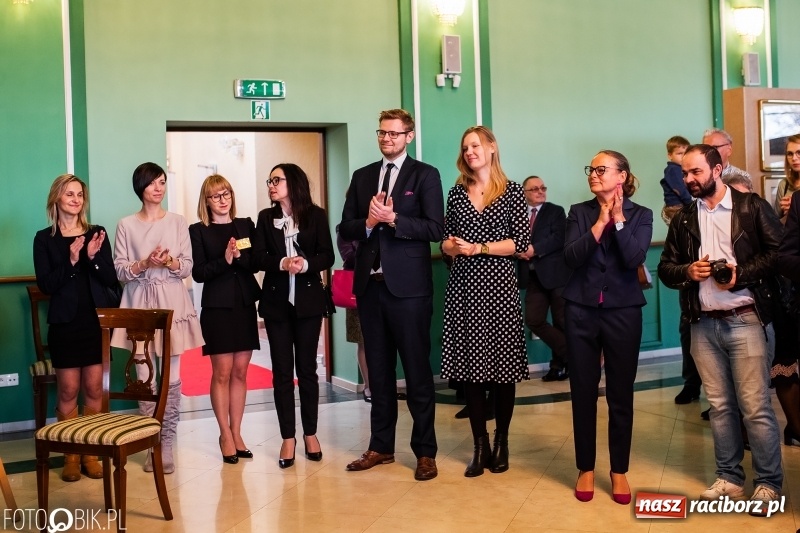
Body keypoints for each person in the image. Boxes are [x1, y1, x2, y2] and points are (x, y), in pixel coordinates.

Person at [658, 144, 784, 514]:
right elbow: (666, 267)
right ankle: (729, 477)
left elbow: (779, 253)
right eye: (684, 173)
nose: (688, 180)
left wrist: (740, 275)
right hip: (703, 325)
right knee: (719, 406)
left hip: (746, 318)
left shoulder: (750, 207)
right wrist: (688, 272)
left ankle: (768, 484)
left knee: (755, 407)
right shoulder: (684, 218)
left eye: (695, 172)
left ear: (717, 170)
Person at [340, 108, 444, 481]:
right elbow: (345, 224)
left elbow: (435, 228)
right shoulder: (363, 175)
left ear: (409, 136)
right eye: (382, 133)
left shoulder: (425, 175)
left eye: (394, 134)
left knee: (416, 372)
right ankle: (381, 446)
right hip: (371, 289)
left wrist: (394, 219)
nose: (387, 139)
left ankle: (425, 452)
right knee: (379, 374)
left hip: (410, 291)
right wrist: (368, 222)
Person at [564, 151, 652, 505]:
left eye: (601, 169)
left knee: (620, 394)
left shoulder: (641, 215)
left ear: (622, 176)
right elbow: (570, 257)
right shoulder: (578, 212)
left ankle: (619, 470)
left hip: (624, 311)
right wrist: (599, 223)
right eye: (591, 169)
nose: (593, 174)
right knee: (583, 392)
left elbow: (633, 259)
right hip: (581, 310)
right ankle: (585, 468)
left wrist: (617, 221)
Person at [441, 126, 529, 477]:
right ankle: (479, 445)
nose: (470, 151)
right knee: (471, 372)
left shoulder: (513, 191)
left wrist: (480, 248)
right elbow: (446, 243)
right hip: (463, 289)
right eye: (465, 147)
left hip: (499, 289)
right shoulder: (457, 193)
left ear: (492, 148)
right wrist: (453, 247)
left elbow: (519, 243)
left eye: (476, 145)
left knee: (502, 371)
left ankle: (501, 442)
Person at [112, 162, 204, 474]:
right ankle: (150, 442)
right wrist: (144, 263)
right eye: (153, 183)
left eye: (162, 182)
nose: (159, 188)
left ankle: (166, 443)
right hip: (139, 300)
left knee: (173, 375)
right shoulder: (125, 224)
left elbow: (188, 267)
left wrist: (169, 261)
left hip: (172, 301)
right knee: (144, 375)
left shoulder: (178, 221)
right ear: (141, 186)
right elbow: (121, 271)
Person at [33, 174, 119, 482]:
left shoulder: (98, 233)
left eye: (80, 194)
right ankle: (70, 455)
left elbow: (110, 278)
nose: (76, 199)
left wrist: (92, 259)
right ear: (56, 198)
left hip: (95, 322)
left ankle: (90, 453)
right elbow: (46, 284)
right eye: (69, 194)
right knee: (68, 389)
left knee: (94, 388)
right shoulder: (44, 239)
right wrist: (71, 261)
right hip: (65, 324)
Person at [252, 163, 334, 469]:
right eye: (269, 180)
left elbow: (328, 254)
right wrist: (283, 262)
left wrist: (307, 264)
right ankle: (288, 437)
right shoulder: (265, 217)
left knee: (308, 371)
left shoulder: (316, 215)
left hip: (309, 302)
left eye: (277, 180)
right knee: (282, 372)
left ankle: (310, 433)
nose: (271, 185)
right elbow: (259, 257)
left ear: (293, 183)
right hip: (276, 303)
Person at [189, 174, 261, 465]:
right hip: (217, 308)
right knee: (222, 372)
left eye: (226, 193)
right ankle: (224, 434)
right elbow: (199, 272)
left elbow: (255, 262)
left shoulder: (245, 225)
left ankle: (237, 431)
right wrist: (226, 259)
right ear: (206, 201)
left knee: (241, 372)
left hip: (244, 304)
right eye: (216, 196)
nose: (222, 199)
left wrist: (240, 257)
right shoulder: (199, 230)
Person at [516, 175, 571, 382]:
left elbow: (558, 238)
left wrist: (534, 250)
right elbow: (510, 239)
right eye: (535, 189)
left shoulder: (555, 211)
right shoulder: (517, 214)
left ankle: (558, 367)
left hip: (557, 275)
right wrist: (517, 251)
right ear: (524, 193)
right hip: (531, 276)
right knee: (534, 320)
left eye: (543, 188)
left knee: (562, 322)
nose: (540, 191)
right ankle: (572, 356)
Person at [336, 227, 371, 403]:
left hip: (384, 287)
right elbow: (348, 257)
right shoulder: (346, 229)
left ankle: (384, 385)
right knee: (363, 340)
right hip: (357, 288)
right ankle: (369, 386)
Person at [660, 135, 692, 224]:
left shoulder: (682, 169)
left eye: (686, 153)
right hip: (676, 206)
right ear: (670, 155)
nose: (683, 157)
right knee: (683, 229)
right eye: (680, 153)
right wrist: (690, 203)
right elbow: (679, 189)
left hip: (681, 204)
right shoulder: (673, 169)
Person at [774, 133, 800, 220]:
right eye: (790, 154)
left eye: (799, 153)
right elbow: (775, 224)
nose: (794, 158)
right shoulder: (784, 185)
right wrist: (788, 215)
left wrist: (795, 210)